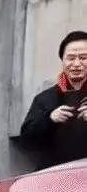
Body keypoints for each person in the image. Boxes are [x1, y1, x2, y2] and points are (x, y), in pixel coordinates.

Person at [20, 30, 87, 169]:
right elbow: (27, 140)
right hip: (54, 178)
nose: (76, 64)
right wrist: (49, 119)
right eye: (71, 58)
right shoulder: (45, 98)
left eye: (83, 57)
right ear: (62, 60)